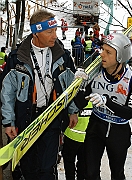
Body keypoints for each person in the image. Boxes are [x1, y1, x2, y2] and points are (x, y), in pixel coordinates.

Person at [1, 9, 78, 180]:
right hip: (27, 118)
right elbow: (7, 93)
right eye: (49, 31)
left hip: (51, 117)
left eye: (55, 30)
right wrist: (8, 121)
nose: (55, 35)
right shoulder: (17, 58)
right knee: (29, 167)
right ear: (36, 33)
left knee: (47, 167)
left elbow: (70, 85)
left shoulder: (63, 56)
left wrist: (72, 110)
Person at [74, 33, 132, 180]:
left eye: (108, 52)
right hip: (96, 126)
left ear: (120, 57)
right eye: (102, 49)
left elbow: (129, 112)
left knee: (117, 173)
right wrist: (80, 86)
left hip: (118, 130)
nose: (102, 54)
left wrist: (106, 100)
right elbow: (81, 104)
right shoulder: (96, 73)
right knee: (90, 173)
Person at [62, 101, 92, 180]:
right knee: (82, 165)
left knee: (70, 164)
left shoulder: (75, 95)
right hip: (85, 137)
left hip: (72, 135)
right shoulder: (96, 95)